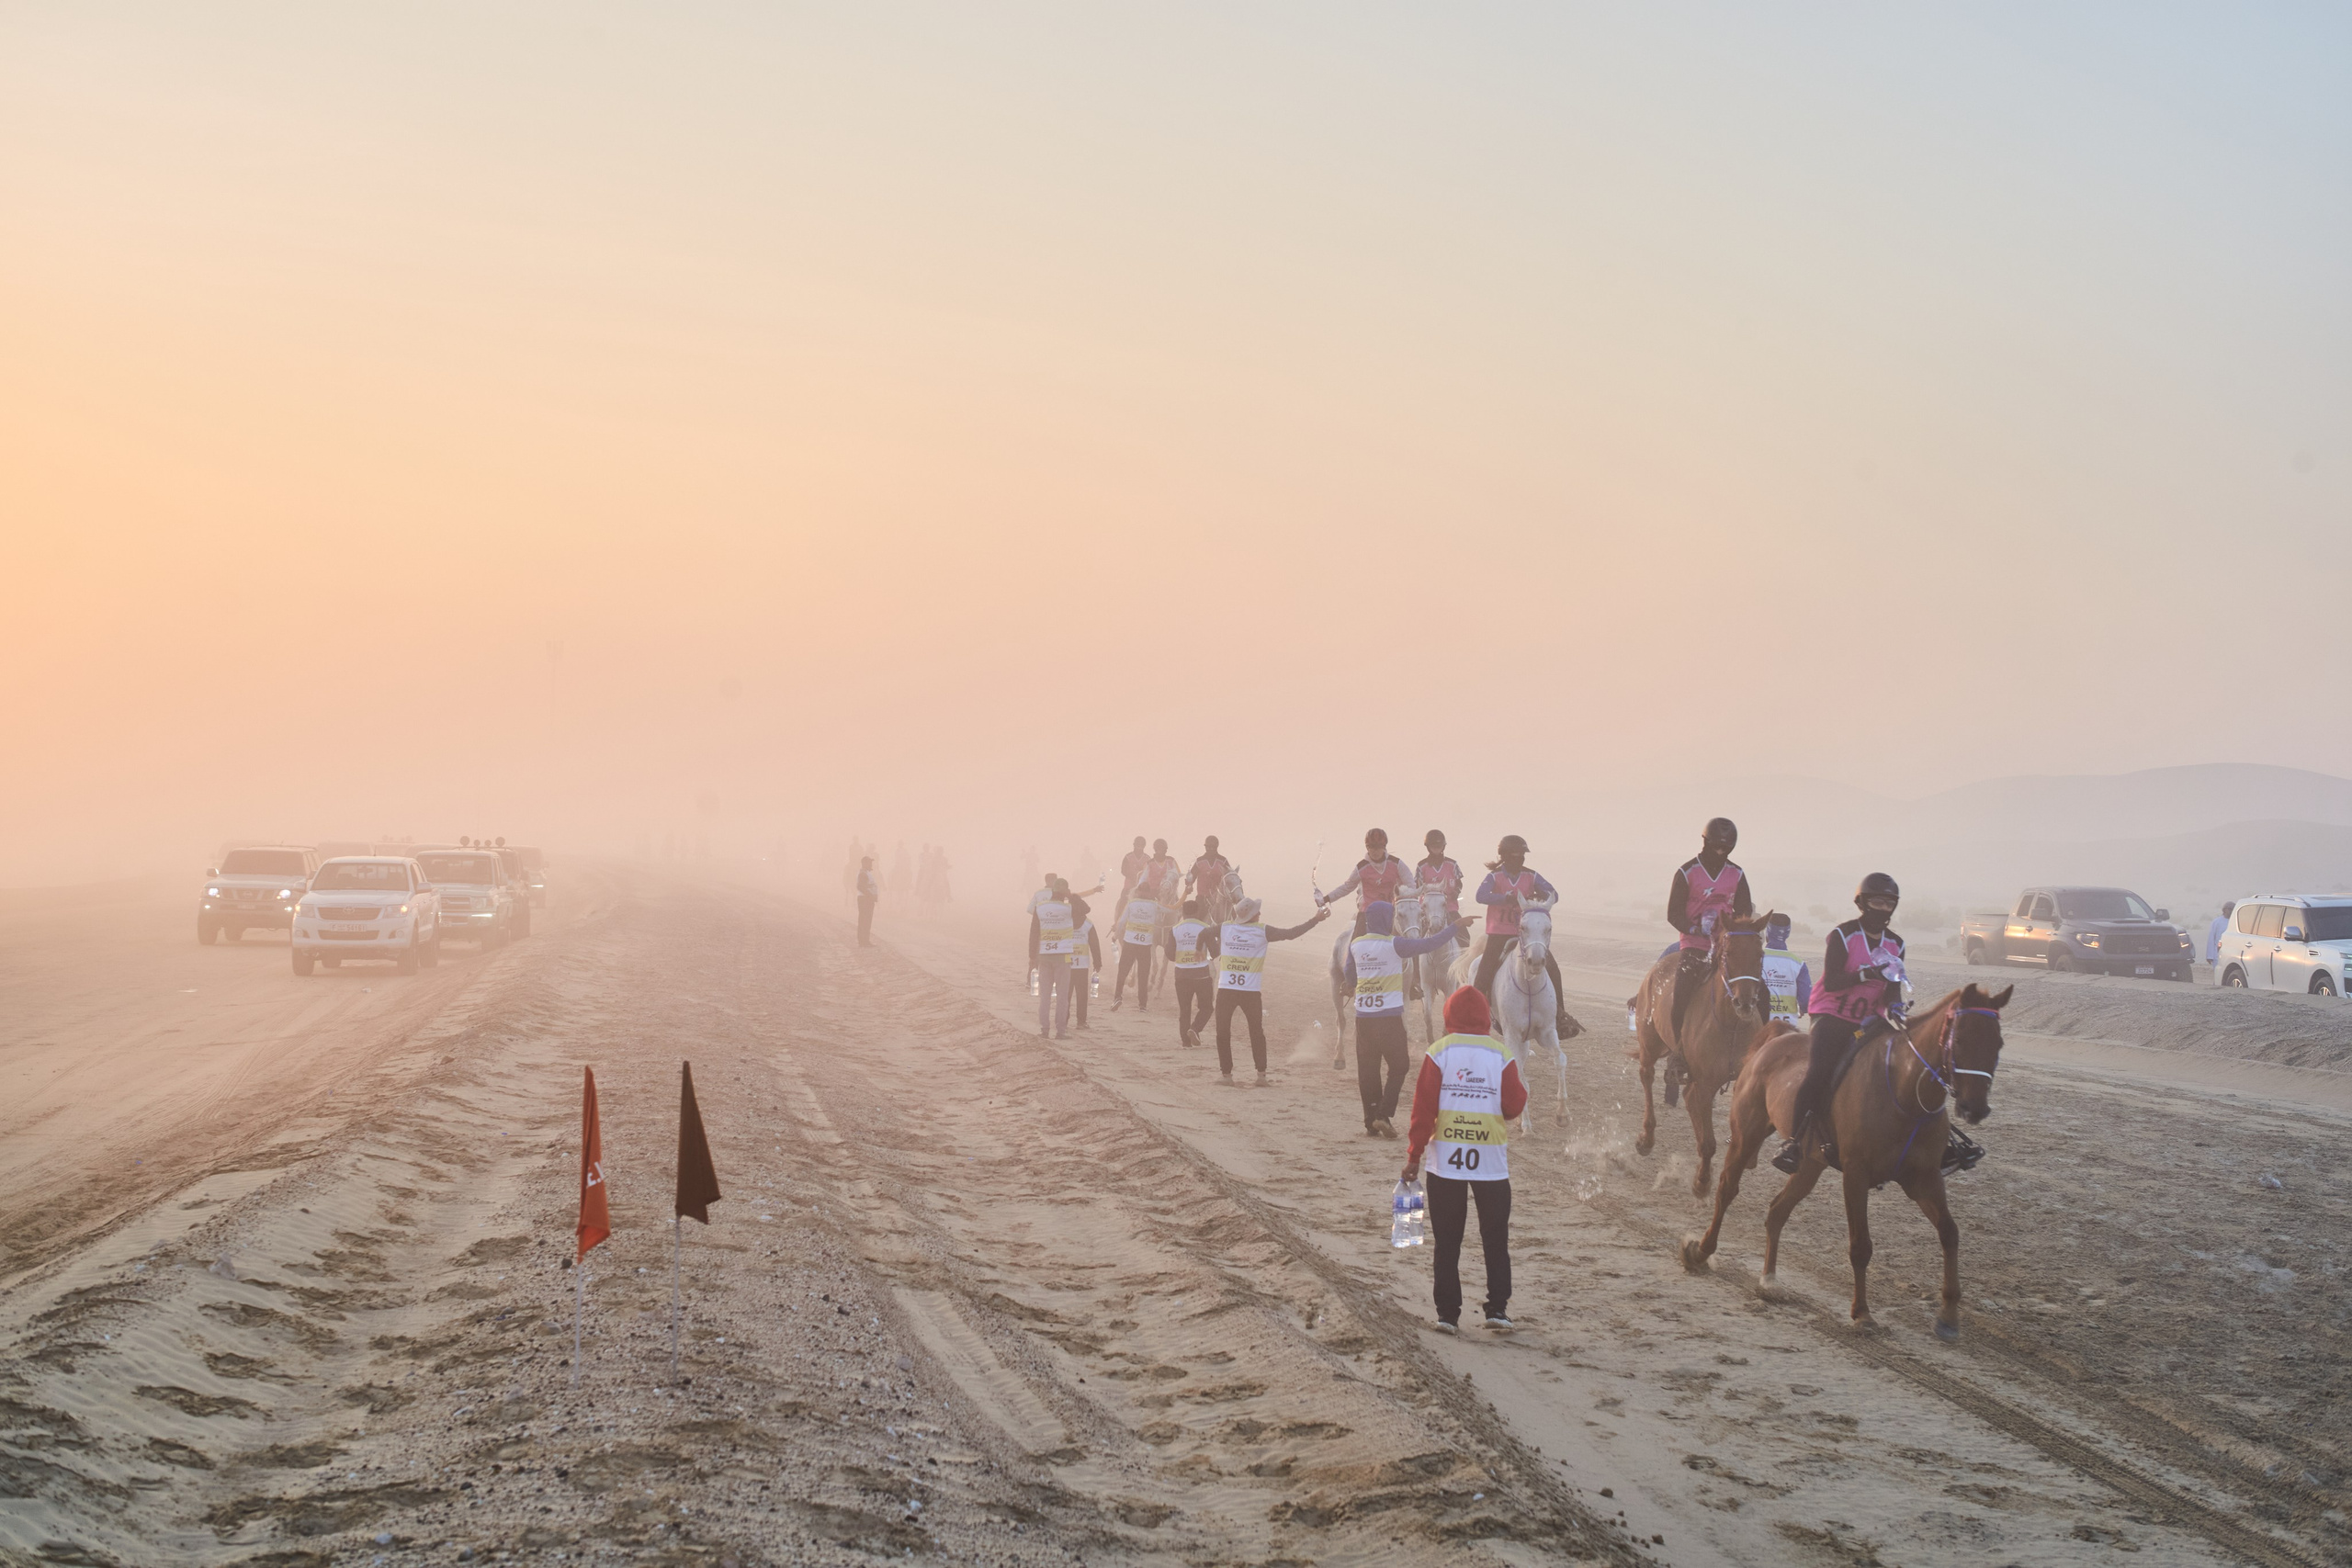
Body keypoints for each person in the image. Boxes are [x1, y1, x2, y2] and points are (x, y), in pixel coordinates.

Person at [1401, 986, 1526, 1334]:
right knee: (1495, 1238)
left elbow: (1422, 1111)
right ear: (1487, 1017)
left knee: (1448, 1240)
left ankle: (1447, 1315)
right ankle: (1497, 1309)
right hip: (1490, 1164)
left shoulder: (1438, 1052)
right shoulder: (1501, 1054)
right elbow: (1514, 1106)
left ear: (1449, 1017)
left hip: (1445, 1163)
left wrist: (1414, 1155)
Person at [1774, 873, 1905, 1173]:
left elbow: (1892, 991)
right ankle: (1793, 1142)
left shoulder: (1897, 944)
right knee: (1820, 1071)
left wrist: (1896, 1009)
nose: (1883, 907)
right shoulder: (1843, 935)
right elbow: (1832, 981)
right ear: (1862, 903)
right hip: (1830, 1014)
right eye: (1877, 901)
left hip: (1869, 1018)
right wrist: (1867, 974)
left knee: (1903, 1062)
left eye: (1889, 903)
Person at [1344, 900, 1475, 1137]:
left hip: (1363, 1017)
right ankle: (1383, 1115)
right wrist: (1455, 926)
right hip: (1389, 1018)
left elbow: (1349, 976)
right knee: (1400, 1065)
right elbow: (1430, 943)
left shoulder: (1356, 944)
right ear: (1387, 920)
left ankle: (1370, 1120)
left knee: (1368, 1069)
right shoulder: (1395, 944)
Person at [1214, 896, 1331, 1085]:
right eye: (1256, 912)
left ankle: (1245, 1075)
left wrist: (1201, 950)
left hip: (1235, 991)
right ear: (1251, 916)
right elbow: (1291, 933)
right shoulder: (1259, 931)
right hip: (1241, 991)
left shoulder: (1227, 928)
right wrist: (1315, 920)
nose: (1260, 913)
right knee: (1250, 1032)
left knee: (1228, 1032)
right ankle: (1243, 1075)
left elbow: (1204, 934)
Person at [1472, 836, 1573, 1035]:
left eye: (1522, 855)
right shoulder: (1494, 877)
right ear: (1505, 856)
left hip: (1527, 935)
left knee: (1553, 968)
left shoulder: (1532, 876)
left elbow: (1554, 894)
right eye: (1515, 855)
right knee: (1484, 970)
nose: (1519, 859)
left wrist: (1539, 896)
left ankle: (1560, 1015)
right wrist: (1505, 898)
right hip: (1499, 932)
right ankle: (1475, 1011)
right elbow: (1480, 896)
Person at [1668, 818, 1755, 1041]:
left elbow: (1744, 912)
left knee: (1757, 986)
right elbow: (1673, 913)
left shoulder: (1737, 874)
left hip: (1727, 946)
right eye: (1716, 846)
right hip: (1695, 945)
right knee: (1681, 995)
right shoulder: (1687, 872)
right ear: (1705, 842)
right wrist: (1694, 929)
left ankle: (1759, 1041)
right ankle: (1677, 1051)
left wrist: (1733, 931)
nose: (1720, 851)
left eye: (1726, 848)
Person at [1318, 829, 1417, 936]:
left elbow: (1410, 885)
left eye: (1378, 847)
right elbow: (1347, 887)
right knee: (1355, 943)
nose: (1375, 851)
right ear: (1367, 847)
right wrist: (1326, 899)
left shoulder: (1397, 864)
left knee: (1410, 937)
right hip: (1367, 913)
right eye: (1371, 847)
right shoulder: (1361, 868)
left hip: (1391, 912)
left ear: (1384, 847)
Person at [1027, 879, 1080, 1038]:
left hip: (1044, 957)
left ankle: (1044, 1030)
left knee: (1045, 996)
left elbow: (1034, 933)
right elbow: (1086, 909)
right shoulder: (1069, 908)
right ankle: (1061, 1031)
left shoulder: (1040, 908)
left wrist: (1032, 956)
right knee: (1062, 997)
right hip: (1063, 958)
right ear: (1064, 892)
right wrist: (1071, 897)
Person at [1165, 899, 1216, 1047]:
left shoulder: (1175, 929)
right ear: (1197, 912)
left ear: (1183, 912)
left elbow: (1170, 954)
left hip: (1182, 974)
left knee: (1185, 1009)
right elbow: (1215, 951)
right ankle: (1195, 1028)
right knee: (1207, 1007)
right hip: (1202, 975)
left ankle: (1185, 1042)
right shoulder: (1205, 928)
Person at [1760, 913, 1812, 1032]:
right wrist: (1803, 1008)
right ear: (1787, 933)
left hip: (1759, 1026)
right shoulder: (1798, 963)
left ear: (1767, 932)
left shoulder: (1756, 959)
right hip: (1787, 1028)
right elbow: (1806, 999)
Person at [1112, 886, 1159, 1010]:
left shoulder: (1131, 903)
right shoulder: (1155, 905)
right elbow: (1167, 913)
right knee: (1143, 975)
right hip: (1145, 945)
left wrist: (1116, 935)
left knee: (1122, 971)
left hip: (1130, 943)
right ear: (1149, 893)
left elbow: (1122, 921)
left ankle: (1117, 997)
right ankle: (1142, 1005)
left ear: (1137, 892)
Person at [1067, 896, 1102, 1029]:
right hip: (1082, 964)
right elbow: (1094, 945)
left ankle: (1063, 1020)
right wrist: (1097, 962)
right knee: (1082, 995)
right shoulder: (1088, 924)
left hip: (1065, 964)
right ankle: (1081, 1022)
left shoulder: (1064, 921)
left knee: (1065, 994)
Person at [1185, 836, 1232, 908]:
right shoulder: (1199, 861)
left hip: (1220, 897)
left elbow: (1230, 876)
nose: (1210, 849)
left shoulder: (1223, 861)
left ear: (1216, 847)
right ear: (1205, 847)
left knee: (1233, 914)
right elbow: (1191, 876)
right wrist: (1189, 884)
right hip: (1202, 897)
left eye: (1213, 847)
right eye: (1208, 847)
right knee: (1196, 915)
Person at [855, 856, 880, 946]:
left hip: (867, 899)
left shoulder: (866, 873)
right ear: (864, 863)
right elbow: (860, 887)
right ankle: (863, 941)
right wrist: (871, 896)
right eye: (869, 863)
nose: (871, 864)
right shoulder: (863, 873)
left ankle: (865, 940)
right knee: (865, 921)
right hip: (865, 899)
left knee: (866, 920)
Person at [2206, 901, 2235, 967]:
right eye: (2229, 909)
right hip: (2217, 954)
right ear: (2224, 910)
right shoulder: (2217, 922)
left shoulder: (2235, 921)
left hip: (2232, 953)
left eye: (2233, 909)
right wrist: (2209, 956)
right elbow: (2211, 939)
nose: (2231, 911)